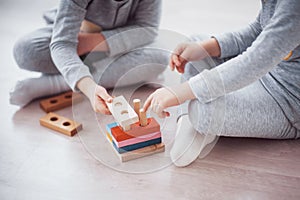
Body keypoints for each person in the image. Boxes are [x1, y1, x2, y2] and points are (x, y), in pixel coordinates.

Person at [143, 0, 300, 167]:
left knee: (201, 110)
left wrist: (181, 92)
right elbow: (259, 31)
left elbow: (255, 61)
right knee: (195, 46)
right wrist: (207, 47)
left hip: (287, 102)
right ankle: (187, 121)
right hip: (263, 72)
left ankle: (196, 120)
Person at [10, 0, 167, 113]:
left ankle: (56, 83)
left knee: (160, 58)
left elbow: (147, 30)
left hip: (114, 43)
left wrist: (91, 43)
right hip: (76, 34)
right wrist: (89, 88)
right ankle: (83, 72)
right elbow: (62, 44)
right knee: (26, 51)